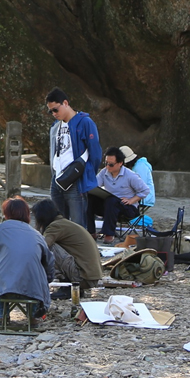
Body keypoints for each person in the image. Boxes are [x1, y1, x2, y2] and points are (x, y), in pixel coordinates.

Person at [0, 197, 54, 323]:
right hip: (33, 288)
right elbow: (49, 261)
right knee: (36, 274)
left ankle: (0, 314)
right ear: (27, 214)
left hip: (3, 287)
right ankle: (34, 315)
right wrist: (47, 279)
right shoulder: (37, 235)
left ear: (6, 214)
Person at [46, 87, 102, 233]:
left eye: (56, 109)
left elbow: (95, 152)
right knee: (58, 222)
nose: (54, 114)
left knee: (78, 226)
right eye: (50, 111)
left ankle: (81, 253)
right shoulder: (55, 127)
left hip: (76, 179)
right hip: (57, 179)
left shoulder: (85, 122)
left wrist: (87, 174)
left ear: (65, 103)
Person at [32, 199, 102, 298]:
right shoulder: (64, 223)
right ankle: (74, 289)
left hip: (83, 277)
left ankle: (67, 287)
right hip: (89, 277)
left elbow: (41, 247)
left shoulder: (56, 226)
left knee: (47, 247)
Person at [89, 147, 150, 245]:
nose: (108, 167)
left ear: (120, 163)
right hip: (109, 207)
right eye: (106, 163)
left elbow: (145, 190)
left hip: (128, 207)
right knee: (90, 199)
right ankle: (91, 231)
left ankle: (108, 233)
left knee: (111, 200)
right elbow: (95, 185)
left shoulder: (130, 175)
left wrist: (131, 200)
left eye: (111, 164)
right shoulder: (104, 173)